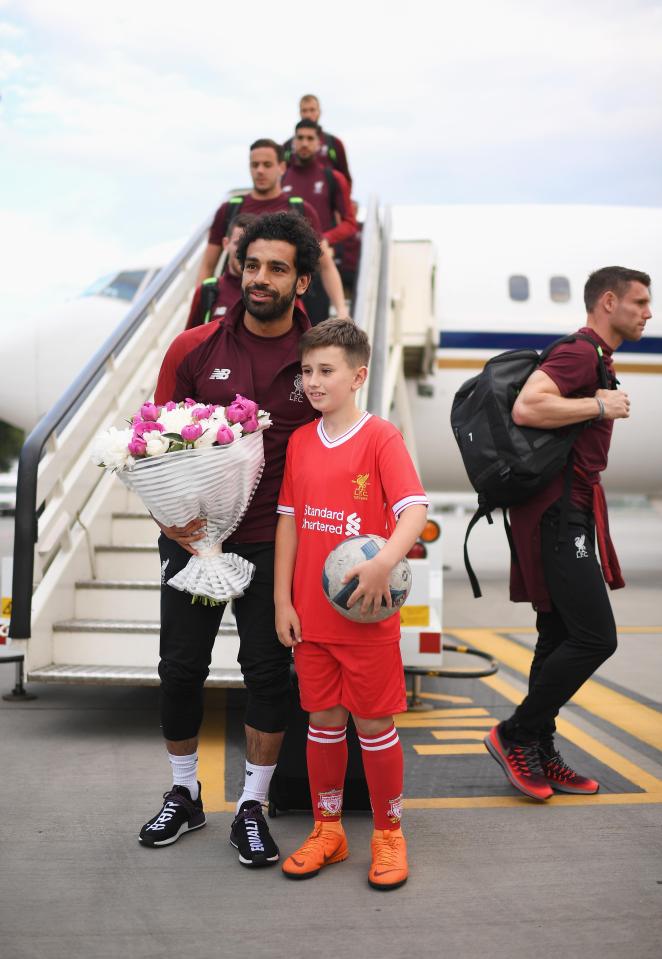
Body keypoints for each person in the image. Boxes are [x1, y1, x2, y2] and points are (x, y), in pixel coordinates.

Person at [139, 213, 322, 868]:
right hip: (195, 538)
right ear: (237, 271)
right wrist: (174, 524)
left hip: (275, 542)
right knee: (180, 668)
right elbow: (152, 445)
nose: (261, 278)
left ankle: (252, 804)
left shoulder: (319, 357)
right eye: (252, 265)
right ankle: (184, 793)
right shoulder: (192, 349)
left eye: (277, 268)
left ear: (301, 280)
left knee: (268, 672)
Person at [484, 266, 652, 801]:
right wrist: (601, 403)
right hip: (558, 511)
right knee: (594, 637)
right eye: (640, 302)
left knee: (557, 635)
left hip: (566, 507)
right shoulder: (580, 354)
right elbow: (529, 405)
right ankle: (516, 733)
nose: (649, 312)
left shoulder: (598, 357)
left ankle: (540, 747)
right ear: (608, 302)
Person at [274, 319, 428, 889]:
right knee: (322, 722)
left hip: (365, 613)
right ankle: (328, 829)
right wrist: (281, 601)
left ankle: (389, 835)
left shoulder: (380, 437)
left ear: (358, 375)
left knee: (374, 725)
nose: (313, 381)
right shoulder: (299, 441)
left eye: (326, 371)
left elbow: (414, 508)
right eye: (307, 371)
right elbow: (289, 523)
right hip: (312, 616)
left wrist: (385, 560)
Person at [195, 138, 346, 322]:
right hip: (235, 304)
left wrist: (341, 311)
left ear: (282, 167)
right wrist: (201, 304)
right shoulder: (229, 209)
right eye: (254, 165)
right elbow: (208, 265)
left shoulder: (301, 209)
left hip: (287, 307)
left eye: (267, 165)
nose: (260, 171)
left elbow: (326, 265)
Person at [185, 213, 256, 329]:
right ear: (225, 244)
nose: (243, 250)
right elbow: (190, 343)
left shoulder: (267, 290)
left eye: (250, 244)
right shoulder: (207, 290)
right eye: (238, 243)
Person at [283, 94, 352, 190]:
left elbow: (345, 177)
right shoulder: (287, 146)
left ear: (319, 112)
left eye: (312, 110)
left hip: (325, 196)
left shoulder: (334, 143)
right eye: (304, 110)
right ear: (300, 112)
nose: (308, 115)